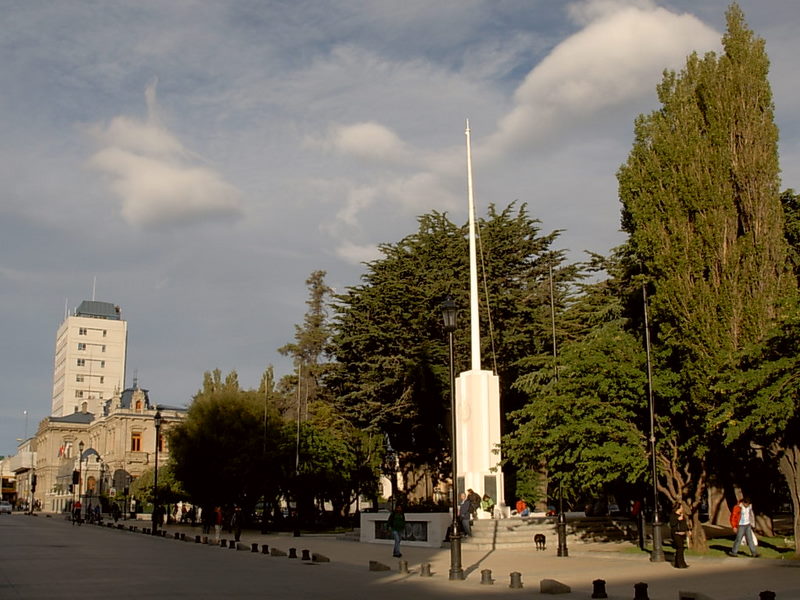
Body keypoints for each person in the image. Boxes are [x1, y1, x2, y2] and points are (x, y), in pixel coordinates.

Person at [669, 502, 689, 568]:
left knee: (681, 548)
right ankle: (679, 563)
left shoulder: (682, 515)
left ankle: (680, 563)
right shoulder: (673, 515)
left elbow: (684, 524)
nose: (682, 509)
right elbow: (672, 524)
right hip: (676, 533)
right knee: (680, 548)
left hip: (682, 534)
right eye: (681, 507)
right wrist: (678, 519)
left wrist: (687, 530)